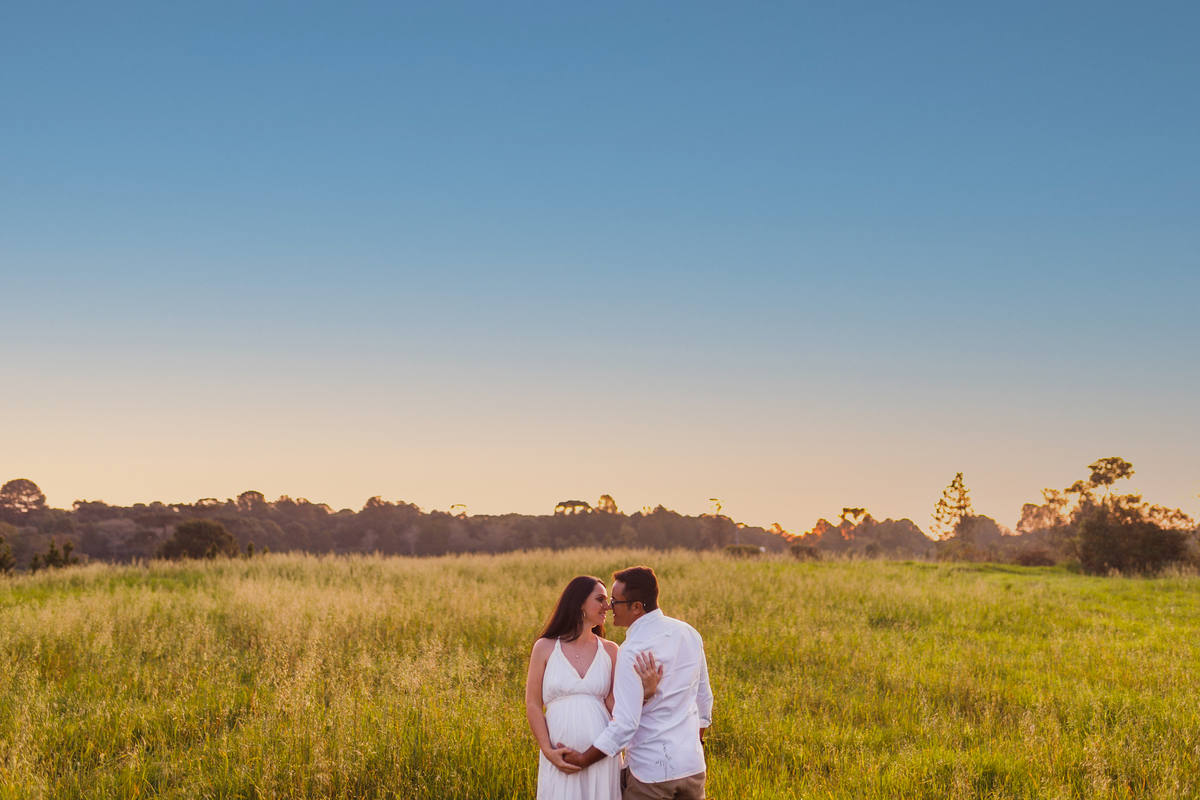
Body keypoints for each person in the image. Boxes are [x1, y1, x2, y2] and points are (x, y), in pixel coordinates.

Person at [562, 566, 713, 800]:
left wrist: (583, 760)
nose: (610, 607)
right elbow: (704, 700)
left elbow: (624, 724)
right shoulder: (689, 633)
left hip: (650, 774)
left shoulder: (632, 651)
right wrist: (695, 742)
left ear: (636, 607)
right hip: (692, 769)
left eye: (615, 601)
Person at [525, 575, 662, 800]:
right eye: (600, 599)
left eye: (607, 600)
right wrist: (548, 751)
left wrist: (645, 696)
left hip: (601, 759)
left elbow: (617, 707)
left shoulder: (611, 650)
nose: (608, 605)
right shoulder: (545, 647)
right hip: (560, 757)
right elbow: (533, 704)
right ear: (579, 603)